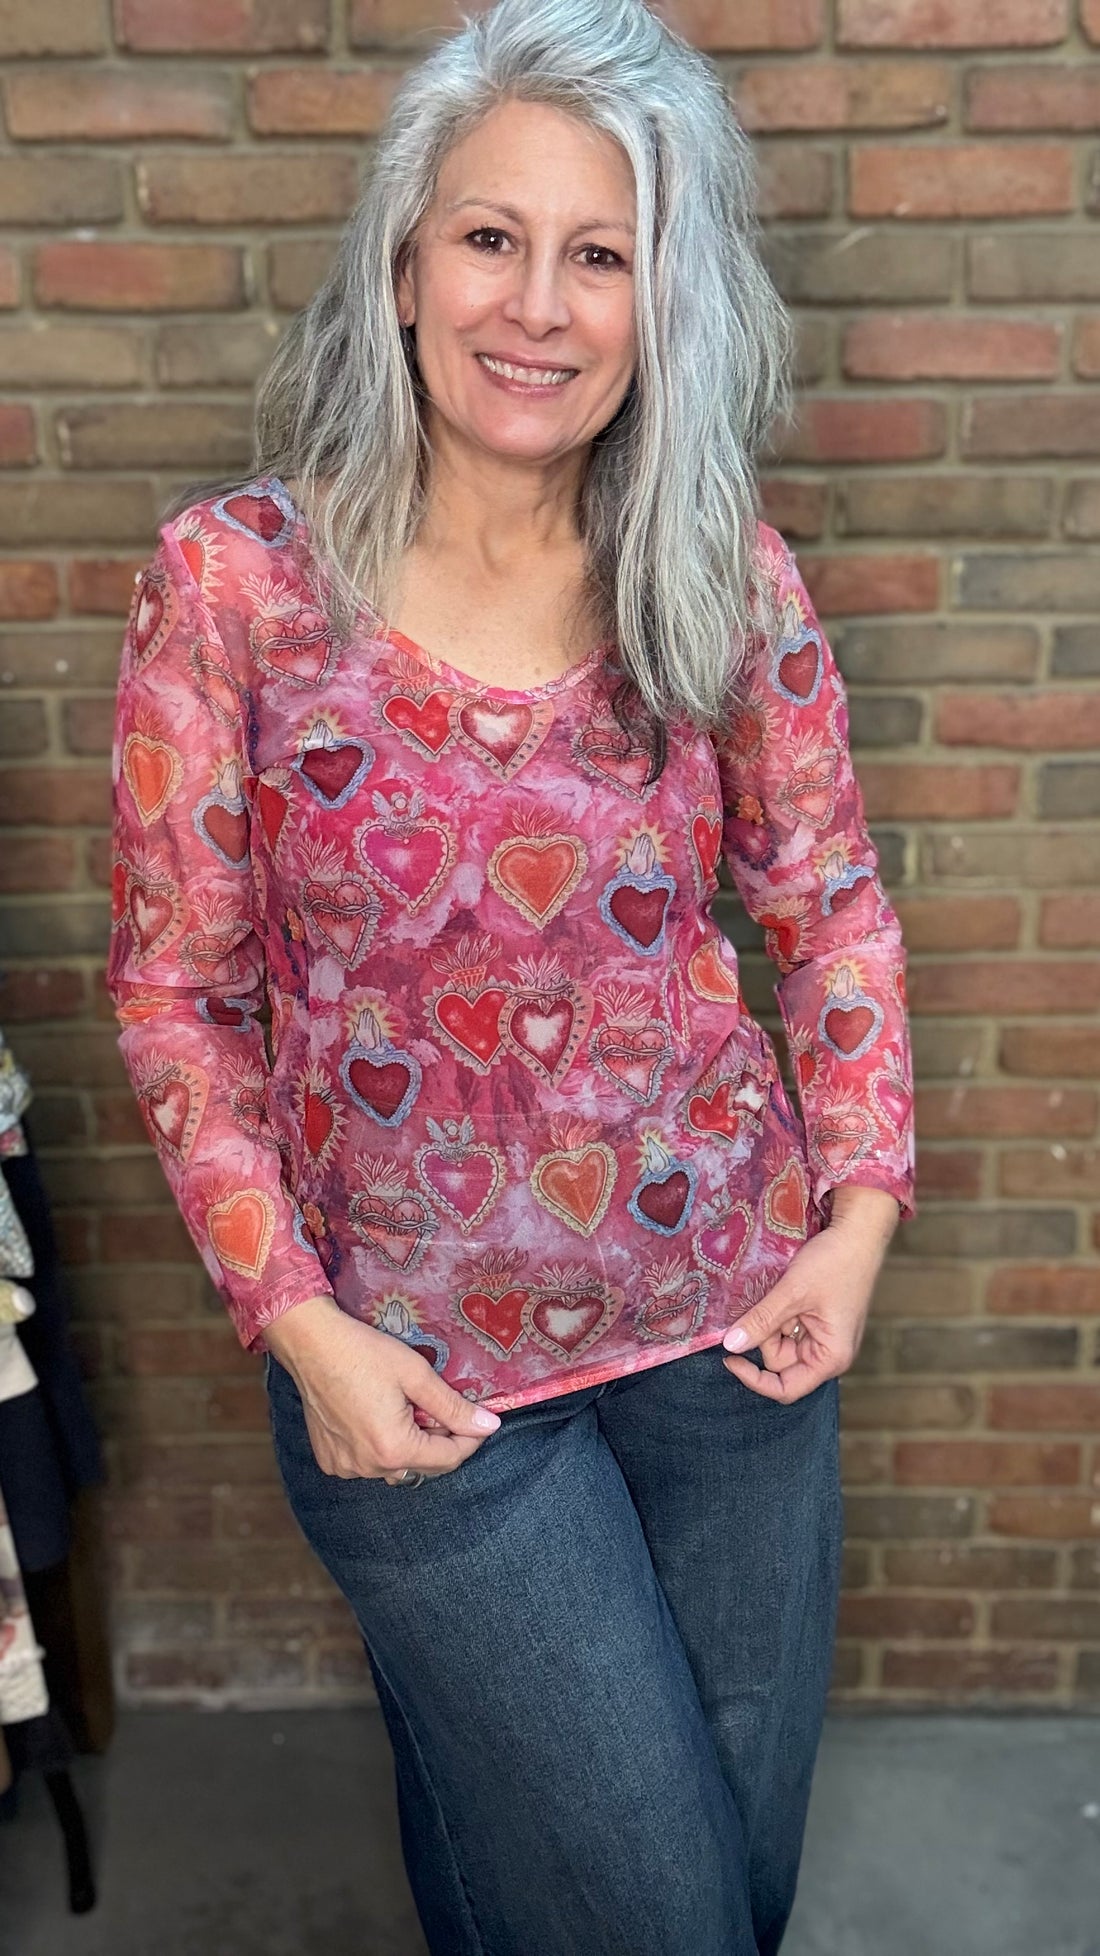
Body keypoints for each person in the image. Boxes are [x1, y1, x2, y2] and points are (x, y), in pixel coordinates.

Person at [106, 1, 917, 1949]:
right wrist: (304, 1333)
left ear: (660, 303)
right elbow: (174, 993)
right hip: (428, 1398)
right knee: (656, 1913)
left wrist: (857, 1215)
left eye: (599, 251)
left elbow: (827, 914)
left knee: (669, 1870)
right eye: (489, 236)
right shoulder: (237, 589)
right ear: (404, 264)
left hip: (728, 1337)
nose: (535, 303)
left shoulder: (717, 573)